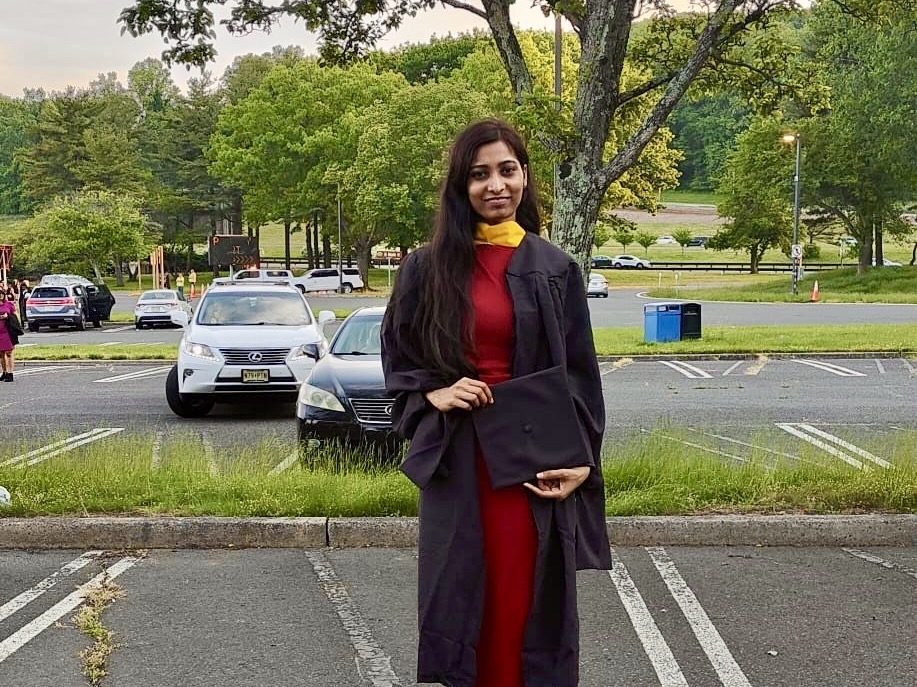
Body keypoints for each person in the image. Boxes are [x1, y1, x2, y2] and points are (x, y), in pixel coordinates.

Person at [381, 119, 611, 687]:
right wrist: (434, 390)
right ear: (461, 186)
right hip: (461, 462)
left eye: (507, 170)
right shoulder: (427, 267)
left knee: (524, 599)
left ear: (525, 177)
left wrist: (583, 461)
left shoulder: (554, 269)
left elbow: (581, 376)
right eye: (479, 174)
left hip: (533, 465)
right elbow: (398, 354)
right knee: (463, 598)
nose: (495, 185)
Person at [0, 288, 20, 382]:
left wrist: (7, 316)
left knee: (9, 352)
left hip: (7, 331)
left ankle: (10, 373)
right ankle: (4, 372)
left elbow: (15, 316)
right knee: (1, 353)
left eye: (1, 293)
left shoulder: (8, 304)